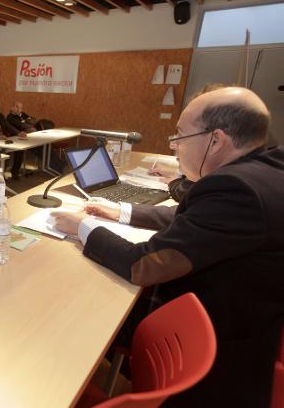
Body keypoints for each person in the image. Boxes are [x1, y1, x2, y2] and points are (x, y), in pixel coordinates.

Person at [51, 87, 284, 407]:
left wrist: (81, 226)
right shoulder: (265, 169)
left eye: (180, 134)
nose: (174, 146)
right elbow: (195, 218)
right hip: (241, 323)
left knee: (76, 316)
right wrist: (120, 211)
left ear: (215, 140)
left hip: (215, 362)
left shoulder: (237, 188)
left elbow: (143, 265)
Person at [6, 101, 65, 174]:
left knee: (46, 146)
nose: (19, 109)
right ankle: (56, 167)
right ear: (11, 107)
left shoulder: (22, 114)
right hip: (18, 140)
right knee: (40, 150)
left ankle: (59, 165)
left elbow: (33, 120)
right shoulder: (10, 117)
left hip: (29, 137)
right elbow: (23, 125)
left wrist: (29, 123)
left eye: (20, 107)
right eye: (16, 107)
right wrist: (28, 123)